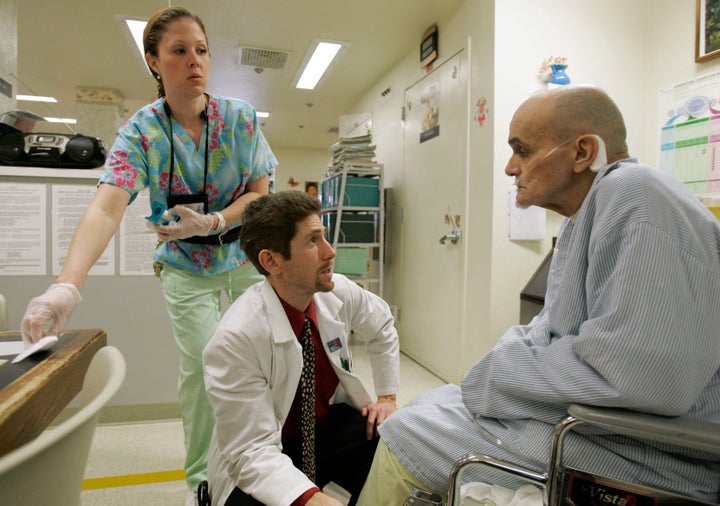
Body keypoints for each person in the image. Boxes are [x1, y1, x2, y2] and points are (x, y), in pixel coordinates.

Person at [357, 85, 720, 505]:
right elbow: (545, 332)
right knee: (429, 402)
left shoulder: (636, 196)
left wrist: (497, 374)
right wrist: (508, 365)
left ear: (583, 152)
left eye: (523, 151)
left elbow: (639, 375)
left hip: (650, 451)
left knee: (408, 432)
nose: (511, 168)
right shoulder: (586, 214)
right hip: (605, 428)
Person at [20, 7, 277, 503]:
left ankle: (266, 459)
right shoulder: (142, 132)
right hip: (186, 267)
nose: (194, 61)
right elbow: (105, 209)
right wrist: (67, 285)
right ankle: (201, 480)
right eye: (179, 51)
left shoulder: (240, 118)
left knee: (264, 360)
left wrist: (218, 221)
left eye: (200, 50)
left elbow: (261, 195)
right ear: (154, 62)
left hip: (246, 258)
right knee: (204, 366)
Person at [202, 191, 400, 506]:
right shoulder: (236, 339)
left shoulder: (336, 291)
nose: (330, 252)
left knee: (388, 439)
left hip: (323, 429)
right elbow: (252, 450)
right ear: (272, 261)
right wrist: (311, 498)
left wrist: (387, 396)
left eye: (324, 237)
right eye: (313, 241)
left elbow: (382, 324)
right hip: (267, 448)